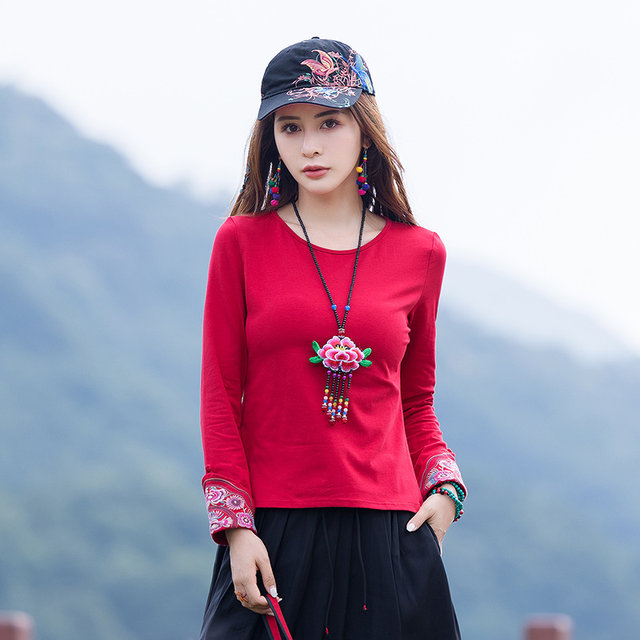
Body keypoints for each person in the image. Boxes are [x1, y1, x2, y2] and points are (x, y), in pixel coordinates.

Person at [199, 37, 466, 640]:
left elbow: (415, 401)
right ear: (271, 139)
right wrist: (236, 528)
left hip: (393, 535)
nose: (310, 146)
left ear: (364, 130)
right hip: (273, 534)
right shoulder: (240, 243)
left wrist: (446, 491)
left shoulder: (421, 253)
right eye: (289, 127)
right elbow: (220, 397)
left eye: (328, 122)